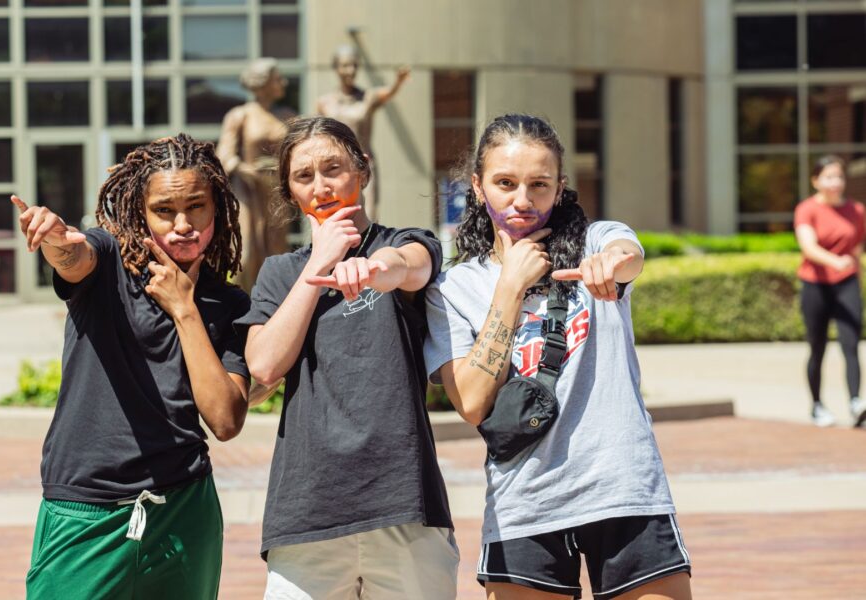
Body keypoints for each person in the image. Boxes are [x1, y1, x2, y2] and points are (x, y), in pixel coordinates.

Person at [424, 114, 692, 600]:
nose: (522, 200)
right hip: (524, 504)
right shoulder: (455, 288)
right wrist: (510, 286)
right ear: (478, 187)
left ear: (560, 188)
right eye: (505, 183)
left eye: (539, 185)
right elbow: (472, 402)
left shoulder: (594, 242)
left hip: (623, 489)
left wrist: (612, 264)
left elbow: (627, 252)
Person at [13, 134, 250, 599]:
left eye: (196, 207)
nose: (182, 224)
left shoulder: (228, 304)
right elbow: (75, 258)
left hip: (184, 510)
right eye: (164, 210)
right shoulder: (107, 266)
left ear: (216, 209)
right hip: (87, 510)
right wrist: (57, 241)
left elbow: (224, 419)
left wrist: (185, 309)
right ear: (140, 213)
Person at [235, 116, 458, 599]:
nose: (321, 186)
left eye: (333, 168)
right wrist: (319, 263)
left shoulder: (402, 243)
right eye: (303, 176)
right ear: (290, 191)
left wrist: (378, 269)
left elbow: (414, 267)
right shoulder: (279, 273)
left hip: (404, 505)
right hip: (307, 513)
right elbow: (265, 366)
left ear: (362, 170)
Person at [793, 154, 866, 428]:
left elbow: (857, 247)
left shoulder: (857, 210)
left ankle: (857, 402)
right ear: (815, 181)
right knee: (818, 347)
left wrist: (853, 274)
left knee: (851, 343)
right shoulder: (807, 209)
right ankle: (817, 405)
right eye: (828, 177)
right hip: (815, 284)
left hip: (846, 283)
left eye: (839, 177)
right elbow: (808, 247)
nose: (835, 182)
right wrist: (836, 261)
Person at [217, 57, 296, 289]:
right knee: (246, 251)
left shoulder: (287, 115)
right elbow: (224, 154)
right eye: (277, 78)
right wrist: (243, 168)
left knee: (277, 252)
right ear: (263, 83)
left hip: (276, 188)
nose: (283, 82)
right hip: (248, 189)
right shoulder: (240, 115)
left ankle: (275, 302)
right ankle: (242, 304)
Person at [316, 44, 410, 222]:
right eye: (345, 66)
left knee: (369, 214)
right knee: (337, 215)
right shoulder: (324, 103)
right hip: (334, 168)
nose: (350, 70)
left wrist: (398, 81)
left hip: (363, 164)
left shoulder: (368, 97)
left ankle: (371, 250)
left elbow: (388, 92)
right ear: (336, 68)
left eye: (354, 66)